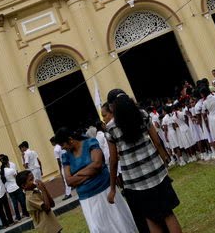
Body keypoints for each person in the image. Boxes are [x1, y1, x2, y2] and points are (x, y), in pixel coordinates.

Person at [106, 89, 182, 233]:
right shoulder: (142, 115)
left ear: (111, 107)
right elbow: (157, 142)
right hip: (156, 173)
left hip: (134, 182)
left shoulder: (111, 128)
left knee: (150, 218)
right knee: (168, 213)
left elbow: (114, 160)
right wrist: (164, 162)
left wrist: (112, 188)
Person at [56, 126, 137, 233]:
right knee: (98, 228)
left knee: (119, 223)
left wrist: (78, 174)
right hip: (88, 199)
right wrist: (91, 171)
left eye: (62, 144)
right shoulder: (66, 157)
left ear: (70, 140)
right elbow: (69, 181)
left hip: (106, 191)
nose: (62, 148)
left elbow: (98, 164)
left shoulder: (91, 143)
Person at [0, 154, 28, 222]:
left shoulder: (1, 172)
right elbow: (17, 178)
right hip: (16, 187)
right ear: (7, 163)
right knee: (22, 201)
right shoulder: (11, 170)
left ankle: (18, 217)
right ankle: (26, 213)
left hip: (9, 189)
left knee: (15, 204)